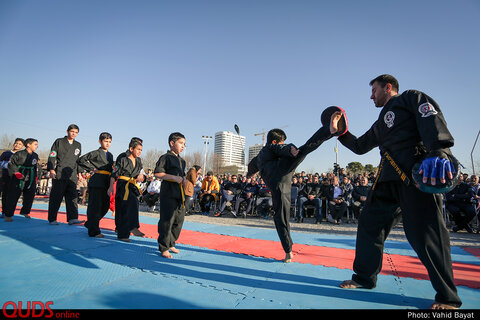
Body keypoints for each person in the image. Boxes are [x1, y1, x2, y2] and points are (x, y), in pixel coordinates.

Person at [337, 74, 462, 309]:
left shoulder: (410, 98)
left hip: (416, 175)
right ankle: (364, 277)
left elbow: (430, 117)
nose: (371, 95)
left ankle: (448, 297)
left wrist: (439, 151)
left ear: (388, 87)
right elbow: (360, 146)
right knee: (368, 225)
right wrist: (341, 132)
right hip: (386, 178)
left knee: (426, 235)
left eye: (374, 90)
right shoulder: (380, 122)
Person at [247, 111, 343, 263]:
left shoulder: (258, 157)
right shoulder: (271, 148)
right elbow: (279, 149)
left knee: (280, 218)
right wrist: (290, 148)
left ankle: (288, 251)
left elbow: (251, 166)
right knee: (306, 148)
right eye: (282, 142)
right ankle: (328, 131)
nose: (283, 144)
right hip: (282, 175)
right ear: (275, 142)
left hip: (279, 181)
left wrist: (248, 174)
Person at [154, 132, 187, 258]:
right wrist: (173, 177)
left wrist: (184, 181)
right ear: (172, 143)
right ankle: (163, 246)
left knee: (179, 220)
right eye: (180, 143)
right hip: (168, 193)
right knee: (167, 220)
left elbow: (181, 176)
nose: (183, 146)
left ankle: (172, 242)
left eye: (184, 144)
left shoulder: (182, 161)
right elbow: (157, 173)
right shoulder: (165, 157)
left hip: (180, 194)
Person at [77, 132, 114, 238]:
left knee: (105, 206)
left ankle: (90, 223)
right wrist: (92, 168)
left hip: (106, 182)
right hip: (97, 181)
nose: (107, 144)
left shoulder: (110, 155)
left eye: (109, 142)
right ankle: (94, 231)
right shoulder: (96, 153)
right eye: (105, 141)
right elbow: (81, 160)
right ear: (100, 141)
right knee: (95, 207)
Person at [108, 138, 145, 242]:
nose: (139, 152)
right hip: (122, 185)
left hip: (132, 185)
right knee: (124, 208)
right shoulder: (122, 160)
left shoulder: (139, 161)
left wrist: (142, 176)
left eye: (141, 150)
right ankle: (126, 232)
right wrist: (111, 187)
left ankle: (129, 229)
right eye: (138, 149)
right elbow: (114, 174)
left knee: (133, 204)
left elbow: (139, 173)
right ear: (131, 149)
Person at [47, 124, 84, 225]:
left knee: (73, 197)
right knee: (56, 197)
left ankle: (73, 218)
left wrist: (79, 173)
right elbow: (52, 155)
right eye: (72, 131)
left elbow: (78, 160)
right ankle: (52, 218)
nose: (74, 134)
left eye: (76, 132)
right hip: (59, 172)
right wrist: (51, 169)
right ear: (67, 131)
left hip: (72, 174)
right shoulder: (59, 142)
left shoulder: (78, 145)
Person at [3, 138, 39, 222]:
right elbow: (11, 164)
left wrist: (36, 177)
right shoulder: (19, 154)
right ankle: (8, 214)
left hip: (30, 176)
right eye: (35, 144)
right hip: (18, 176)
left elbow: (35, 167)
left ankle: (25, 211)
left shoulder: (35, 155)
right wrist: (16, 173)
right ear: (28, 145)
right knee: (13, 195)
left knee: (30, 195)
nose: (37, 146)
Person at [0, 138, 24, 219]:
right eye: (16, 143)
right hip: (6, 176)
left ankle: (10, 212)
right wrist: (11, 166)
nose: (17, 145)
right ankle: (4, 212)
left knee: (13, 195)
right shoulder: (6, 153)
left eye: (20, 144)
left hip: (16, 178)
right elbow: (1, 163)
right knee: (5, 194)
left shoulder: (22, 155)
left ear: (23, 146)